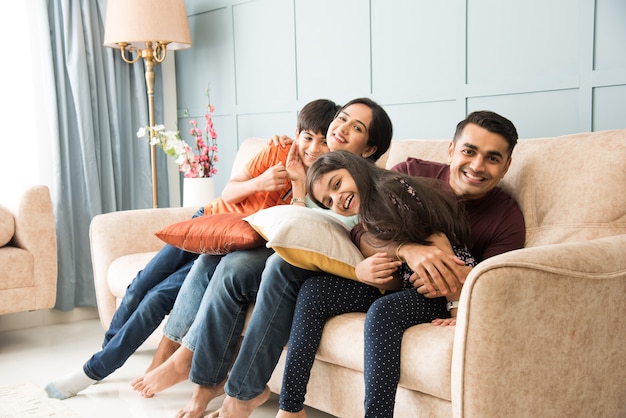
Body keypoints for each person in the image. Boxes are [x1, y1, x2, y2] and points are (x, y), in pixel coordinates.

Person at [44, 98, 341, 400]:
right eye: (307, 137)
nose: (313, 148)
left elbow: (294, 226)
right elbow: (228, 191)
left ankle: (93, 370)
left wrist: (300, 186)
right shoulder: (277, 150)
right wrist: (260, 183)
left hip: (227, 247)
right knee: (140, 285)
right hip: (207, 222)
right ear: (297, 132)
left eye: (322, 141)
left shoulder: (321, 183)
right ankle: (107, 353)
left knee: (159, 297)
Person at [129, 98, 394, 418]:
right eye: (342, 119)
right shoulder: (323, 168)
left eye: (356, 128)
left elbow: (365, 236)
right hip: (295, 248)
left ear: (369, 148)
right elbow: (299, 222)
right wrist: (297, 178)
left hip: (325, 265)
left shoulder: (373, 184)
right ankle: (205, 382)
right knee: (227, 264)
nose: (341, 128)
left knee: (274, 267)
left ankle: (237, 394)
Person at [276, 110, 525, 418]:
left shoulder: (397, 190)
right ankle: (290, 408)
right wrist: (375, 265)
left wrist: (457, 306)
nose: (476, 166)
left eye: (491, 158)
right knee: (315, 290)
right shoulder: (405, 174)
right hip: (400, 281)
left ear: (506, 166)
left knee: (384, 312)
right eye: (469, 151)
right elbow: (361, 234)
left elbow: (482, 274)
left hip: (435, 290)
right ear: (451, 150)